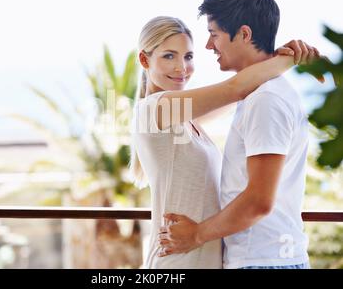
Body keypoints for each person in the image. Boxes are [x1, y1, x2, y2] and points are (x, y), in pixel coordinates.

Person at [130, 14, 316, 268]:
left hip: (203, 258)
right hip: (177, 260)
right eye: (169, 56)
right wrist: (289, 59)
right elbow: (235, 89)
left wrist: (269, 57)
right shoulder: (155, 108)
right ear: (144, 59)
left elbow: (242, 92)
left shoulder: (186, 119)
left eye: (188, 57)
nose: (181, 68)